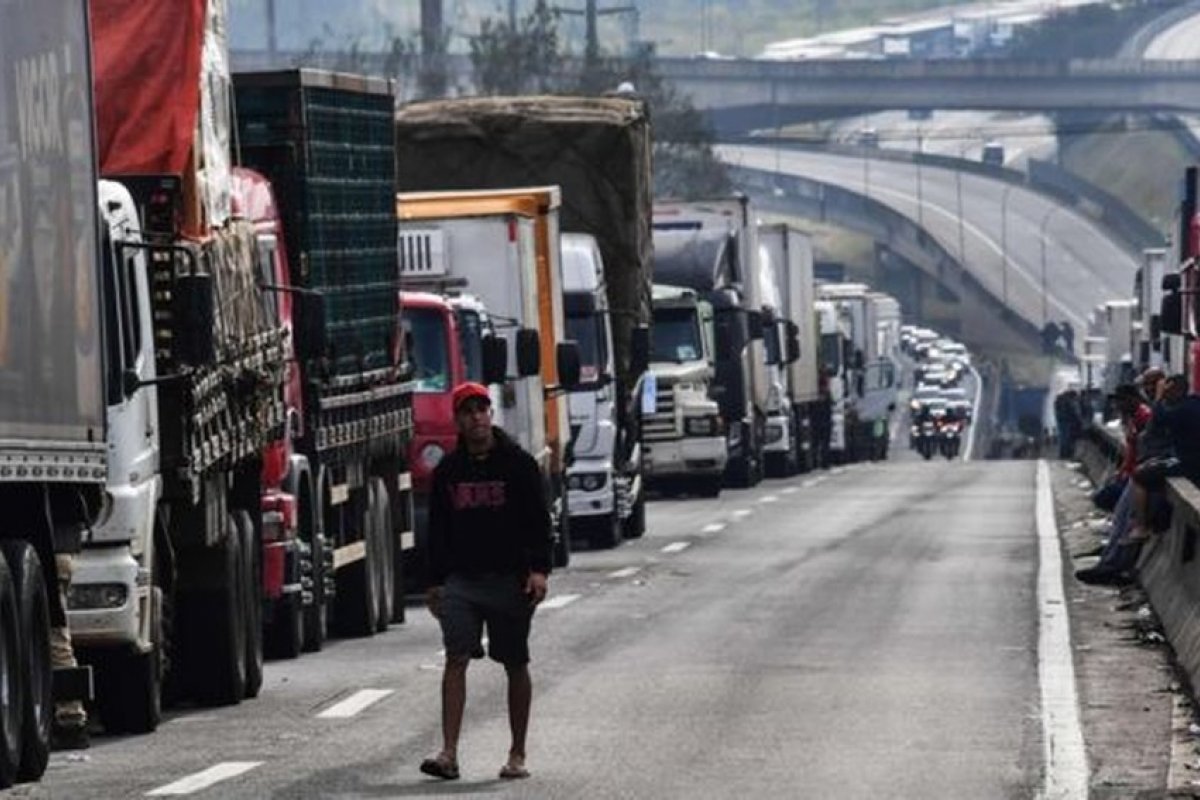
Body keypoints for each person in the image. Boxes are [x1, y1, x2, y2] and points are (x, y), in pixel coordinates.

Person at [421, 382, 552, 782]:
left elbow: (539, 522)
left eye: (482, 409)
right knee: (456, 658)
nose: (477, 417)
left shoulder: (517, 464)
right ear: (457, 420)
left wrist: (539, 571)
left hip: (509, 581)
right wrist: (435, 582)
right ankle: (449, 753)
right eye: (468, 411)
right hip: (463, 582)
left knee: (515, 662)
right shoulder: (449, 472)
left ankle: (517, 753)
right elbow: (437, 530)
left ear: (490, 415)